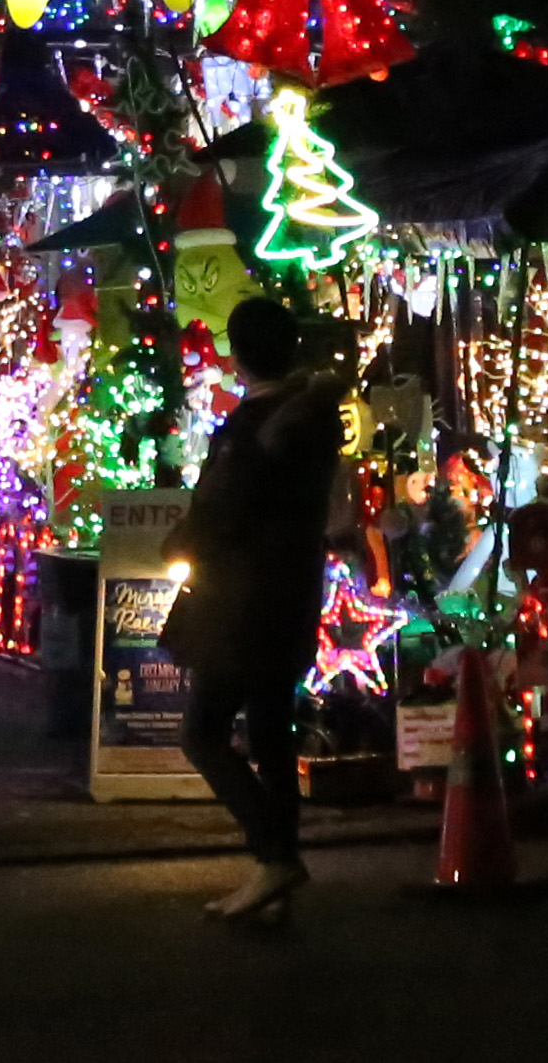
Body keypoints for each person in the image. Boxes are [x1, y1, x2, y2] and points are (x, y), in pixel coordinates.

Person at [161, 292, 341, 925]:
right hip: (293, 591)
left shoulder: (253, 430)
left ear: (238, 356)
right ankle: (277, 875)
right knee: (270, 732)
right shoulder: (314, 417)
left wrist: (182, 541)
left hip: (242, 598)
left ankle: (273, 855)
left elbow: (222, 509)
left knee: (204, 731)